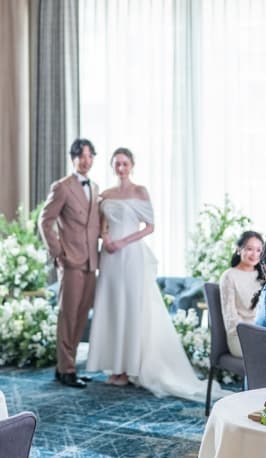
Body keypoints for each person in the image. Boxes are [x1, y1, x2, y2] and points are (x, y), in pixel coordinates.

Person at [87, 148, 228, 401]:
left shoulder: (140, 191)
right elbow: (101, 225)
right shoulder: (105, 194)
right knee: (113, 307)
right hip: (109, 256)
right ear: (112, 166)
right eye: (117, 164)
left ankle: (129, 368)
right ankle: (115, 367)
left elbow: (150, 227)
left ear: (132, 165)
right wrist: (106, 239)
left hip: (131, 255)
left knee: (131, 307)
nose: (121, 168)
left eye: (125, 163)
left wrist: (123, 242)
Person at [39, 138, 99, 388]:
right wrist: (58, 253)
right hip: (70, 260)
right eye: (81, 156)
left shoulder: (95, 187)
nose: (86, 161)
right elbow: (45, 221)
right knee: (69, 315)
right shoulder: (62, 187)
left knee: (82, 316)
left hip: (91, 261)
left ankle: (68, 365)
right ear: (73, 158)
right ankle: (66, 369)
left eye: (90, 156)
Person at [219, 231, 264, 357]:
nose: (254, 254)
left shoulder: (264, 276)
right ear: (239, 249)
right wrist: (251, 333)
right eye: (249, 249)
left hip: (263, 332)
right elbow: (230, 317)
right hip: (240, 336)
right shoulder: (229, 276)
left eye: (258, 250)